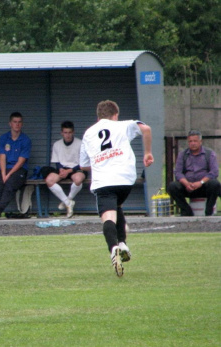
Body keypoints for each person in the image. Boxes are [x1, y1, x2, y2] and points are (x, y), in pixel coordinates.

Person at [79, 100, 153, 277]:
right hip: (126, 179)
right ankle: (122, 244)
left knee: (108, 218)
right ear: (116, 115)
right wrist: (148, 153)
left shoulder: (89, 133)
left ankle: (113, 249)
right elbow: (146, 129)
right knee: (117, 205)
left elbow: (83, 165)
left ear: (98, 117)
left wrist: (101, 159)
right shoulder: (123, 125)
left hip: (104, 180)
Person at [0, 112, 31, 219]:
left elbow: (21, 161)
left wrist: (8, 174)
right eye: (15, 122)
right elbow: (2, 157)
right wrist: (3, 173)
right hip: (5, 168)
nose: (17, 124)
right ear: (10, 123)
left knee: (9, 185)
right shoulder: (4, 138)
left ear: (22, 124)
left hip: (19, 170)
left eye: (19, 122)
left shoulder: (26, 140)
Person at [39, 121, 87, 218]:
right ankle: (68, 203)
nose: (67, 135)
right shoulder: (57, 144)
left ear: (73, 132)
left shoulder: (80, 143)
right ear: (61, 133)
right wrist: (61, 170)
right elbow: (57, 162)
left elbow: (82, 163)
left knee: (78, 179)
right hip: (63, 169)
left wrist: (68, 171)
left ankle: (67, 200)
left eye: (69, 132)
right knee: (49, 180)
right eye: (65, 132)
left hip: (76, 168)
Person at [167, 130, 220, 216]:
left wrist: (200, 182)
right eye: (190, 141)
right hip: (188, 187)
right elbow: (178, 172)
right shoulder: (182, 154)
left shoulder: (209, 154)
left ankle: (208, 211)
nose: (193, 143)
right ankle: (186, 211)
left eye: (195, 141)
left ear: (200, 142)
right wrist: (186, 183)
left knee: (215, 184)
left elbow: (214, 172)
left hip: (204, 186)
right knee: (172, 186)